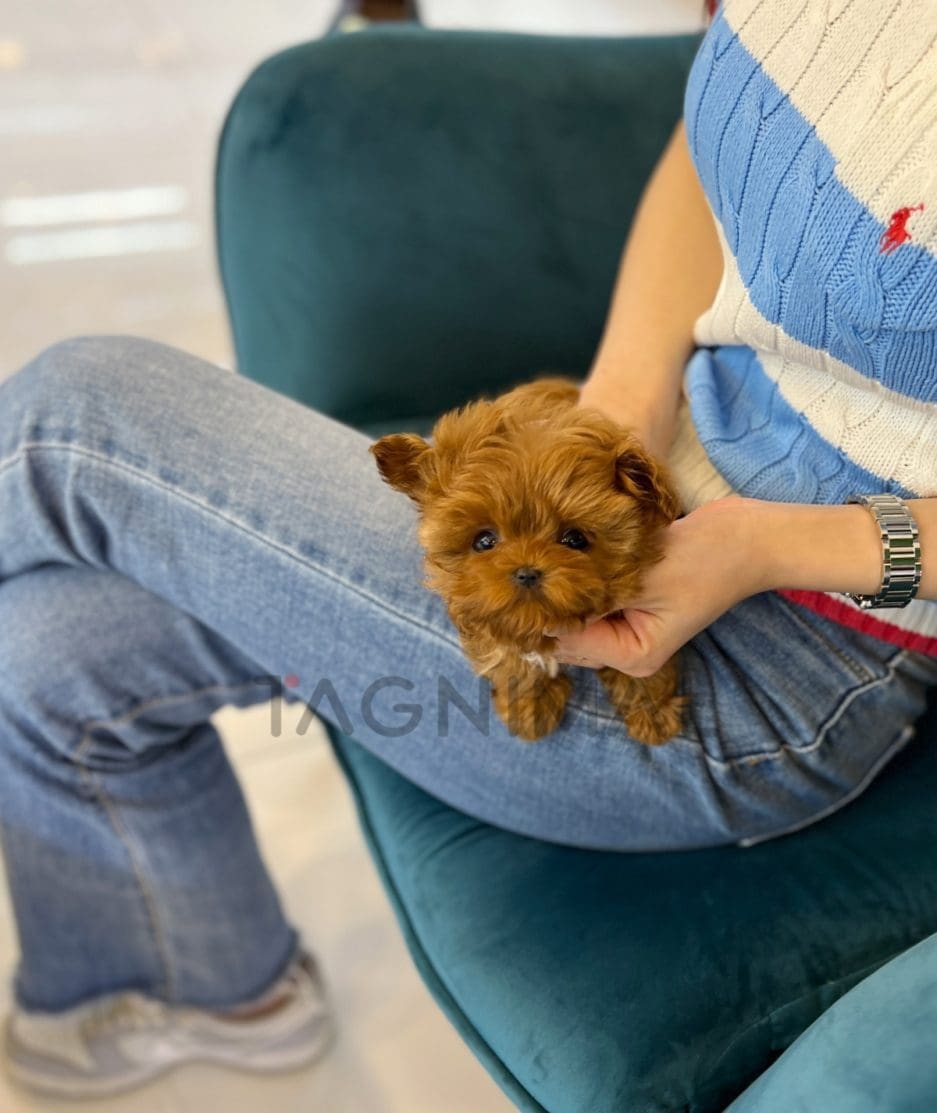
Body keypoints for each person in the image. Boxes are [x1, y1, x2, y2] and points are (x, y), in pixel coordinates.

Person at [1, 0, 935, 1098]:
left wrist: (762, 546)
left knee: (78, 414)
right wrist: (619, 409)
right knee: (47, 649)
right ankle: (207, 983)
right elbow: (721, 140)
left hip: (801, 642)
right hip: (658, 457)